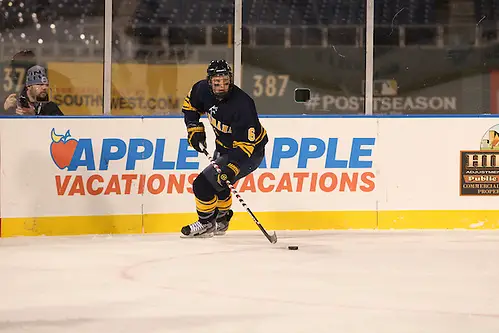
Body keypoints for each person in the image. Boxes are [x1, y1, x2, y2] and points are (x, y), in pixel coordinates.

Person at [180, 60, 268, 238]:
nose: (222, 87)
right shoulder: (201, 90)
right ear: (209, 81)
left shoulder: (243, 104)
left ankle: (206, 223)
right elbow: (190, 106)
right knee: (219, 184)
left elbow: (245, 147)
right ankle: (222, 219)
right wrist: (194, 129)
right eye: (217, 82)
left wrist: (232, 168)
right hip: (224, 146)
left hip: (250, 153)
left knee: (203, 185)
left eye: (226, 82)